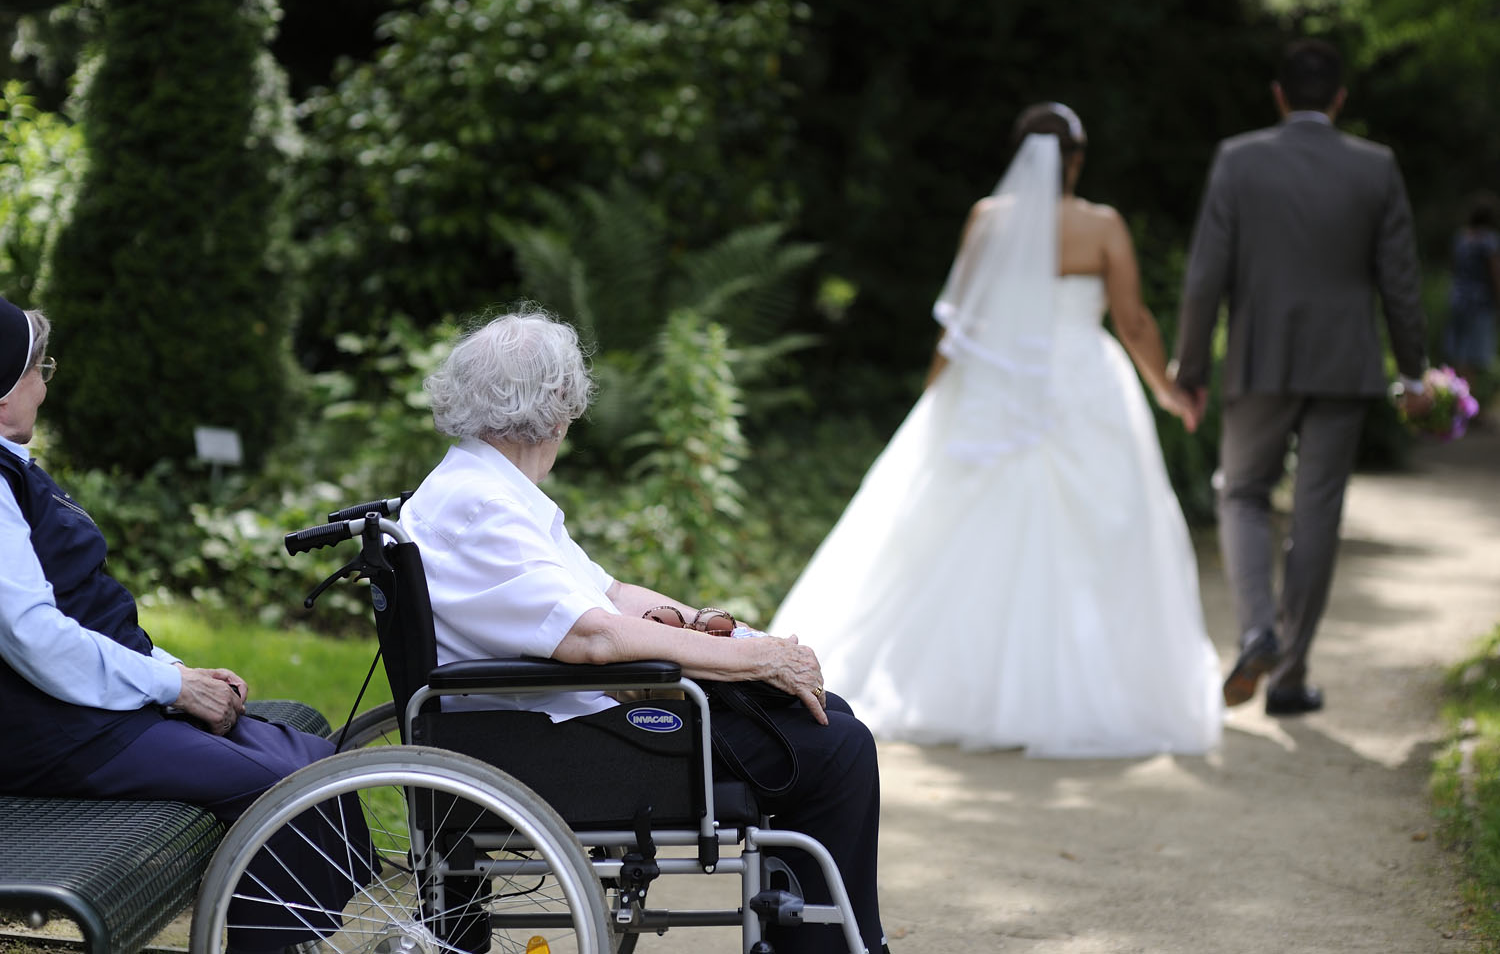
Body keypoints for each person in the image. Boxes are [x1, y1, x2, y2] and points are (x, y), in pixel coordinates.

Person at [401, 308, 888, 954]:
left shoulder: (483, 489)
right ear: (554, 410)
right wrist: (755, 661)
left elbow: (614, 595)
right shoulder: (483, 506)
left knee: (825, 719)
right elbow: (597, 637)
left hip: (551, 729)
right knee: (836, 749)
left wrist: (739, 638)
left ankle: (800, 937)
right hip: (563, 747)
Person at [767, 103, 1223, 758]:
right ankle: (1087, 688)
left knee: (963, 529)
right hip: (1082, 385)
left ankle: (958, 684)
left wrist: (936, 394)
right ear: (1076, 159)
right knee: (1103, 532)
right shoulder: (1101, 225)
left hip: (995, 388)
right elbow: (1134, 322)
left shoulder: (988, 219)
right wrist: (1168, 389)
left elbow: (964, 321)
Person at [0, 296, 364, 950]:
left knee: (313, 760)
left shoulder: (11, 474)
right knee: (282, 790)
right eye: (38, 369)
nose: (45, 385)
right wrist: (173, 688)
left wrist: (174, 670)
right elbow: (35, 638)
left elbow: (80, 618)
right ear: (2, 391)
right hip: (55, 730)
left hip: (86, 709)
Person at [1171, 39, 1432, 717]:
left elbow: (1205, 277)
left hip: (1259, 359)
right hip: (1345, 365)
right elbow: (1400, 284)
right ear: (1340, 99)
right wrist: (1414, 373)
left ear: (1279, 95)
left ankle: (1257, 626)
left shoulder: (1240, 159)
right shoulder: (1376, 168)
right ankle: (1288, 677)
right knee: (1318, 512)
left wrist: (1190, 369)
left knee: (1242, 493)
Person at [1443, 191, 1500, 384]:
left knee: (1459, 352)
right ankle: (1467, 403)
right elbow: (1495, 274)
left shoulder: (1461, 237)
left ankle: (1458, 398)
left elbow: (1454, 267)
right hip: (1480, 301)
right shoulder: (1489, 241)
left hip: (1458, 298)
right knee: (1473, 354)